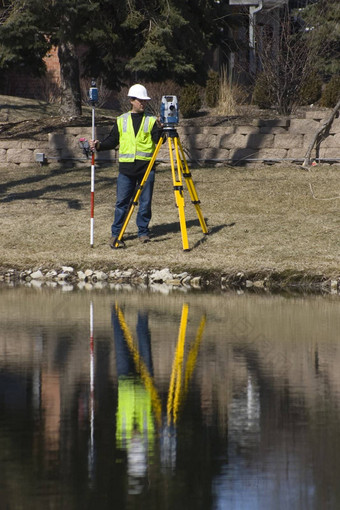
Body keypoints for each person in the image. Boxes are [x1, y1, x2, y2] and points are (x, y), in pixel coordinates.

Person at [90, 84, 163, 248]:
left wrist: (161, 129)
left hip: (146, 168)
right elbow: (112, 140)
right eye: (140, 100)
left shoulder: (151, 121)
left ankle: (143, 232)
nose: (143, 103)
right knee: (121, 203)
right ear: (132, 100)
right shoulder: (121, 120)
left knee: (145, 203)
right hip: (126, 170)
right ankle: (116, 234)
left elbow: (158, 141)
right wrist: (99, 145)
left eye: (145, 100)